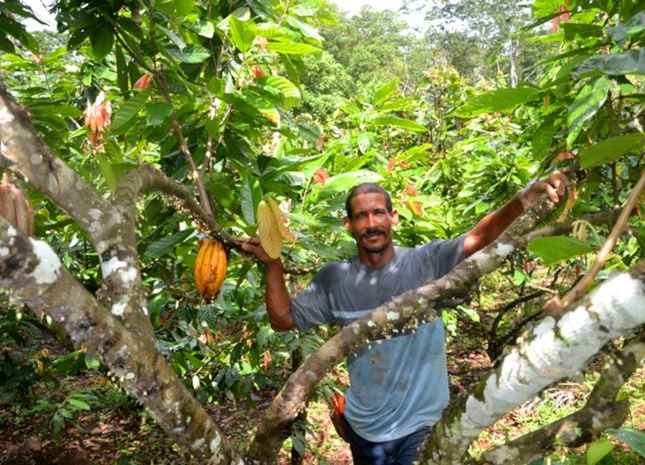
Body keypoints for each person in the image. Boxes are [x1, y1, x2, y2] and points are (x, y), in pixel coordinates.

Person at [240, 172, 569, 465]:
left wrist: (521, 200)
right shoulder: (334, 280)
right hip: (365, 430)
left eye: (378, 212)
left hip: (423, 424)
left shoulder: (426, 262)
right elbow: (283, 320)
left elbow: (479, 239)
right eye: (361, 216)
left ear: (393, 217)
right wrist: (273, 266)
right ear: (349, 225)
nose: (371, 223)